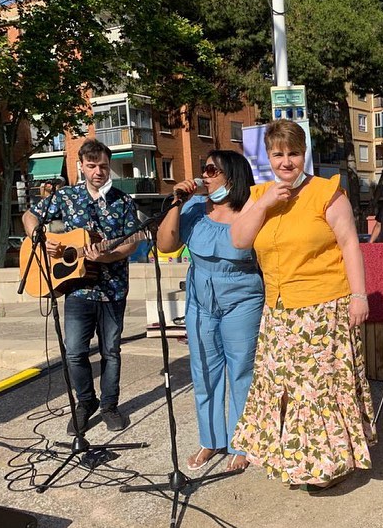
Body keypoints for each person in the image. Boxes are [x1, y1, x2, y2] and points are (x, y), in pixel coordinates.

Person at [229, 119, 375, 489]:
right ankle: (298, 461)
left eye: (293, 153)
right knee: (286, 390)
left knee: (319, 390)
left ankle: (328, 466)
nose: (286, 162)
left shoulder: (327, 192)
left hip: (323, 308)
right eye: (278, 154)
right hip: (279, 311)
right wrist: (265, 204)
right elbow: (239, 240)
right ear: (268, 157)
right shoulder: (260, 194)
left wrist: (359, 296)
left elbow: (350, 244)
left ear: (304, 153)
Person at [22, 139, 140, 434]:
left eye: (103, 166)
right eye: (92, 166)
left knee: (111, 352)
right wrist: (40, 237)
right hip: (77, 289)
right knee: (74, 352)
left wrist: (107, 256)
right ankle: (86, 402)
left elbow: (132, 242)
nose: (98, 171)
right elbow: (29, 215)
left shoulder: (124, 202)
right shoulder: (66, 197)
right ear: (82, 167)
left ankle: (110, 406)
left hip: (113, 289)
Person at [156, 150, 264, 472]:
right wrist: (176, 202)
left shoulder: (253, 211)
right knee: (204, 371)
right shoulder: (193, 209)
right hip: (200, 301)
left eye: (212, 170)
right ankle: (211, 439)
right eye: (204, 169)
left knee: (241, 371)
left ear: (233, 175)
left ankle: (242, 442)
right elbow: (165, 245)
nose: (204, 175)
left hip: (243, 299)